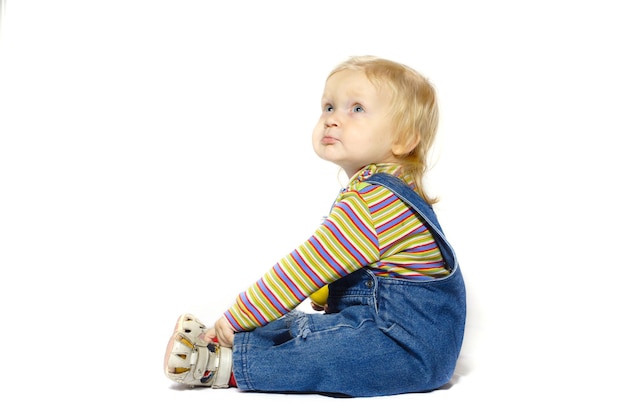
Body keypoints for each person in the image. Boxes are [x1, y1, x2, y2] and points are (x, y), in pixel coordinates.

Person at [164, 55, 466, 397]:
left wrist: (236, 318)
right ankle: (225, 343)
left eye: (357, 110)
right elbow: (356, 263)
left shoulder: (373, 202)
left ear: (403, 139)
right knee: (303, 324)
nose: (333, 120)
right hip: (395, 332)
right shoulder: (386, 190)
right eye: (328, 107)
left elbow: (301, 270)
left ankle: (225, 365)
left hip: (405, 350)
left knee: (325, 355)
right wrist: (333, 292)